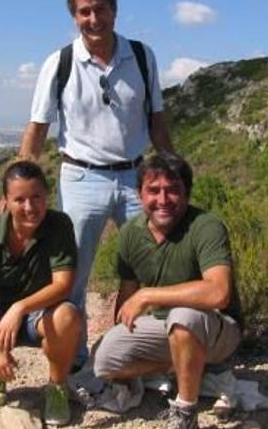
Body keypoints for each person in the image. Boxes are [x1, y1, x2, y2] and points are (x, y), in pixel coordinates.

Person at [18, 0, 174, 366]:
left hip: (136, 177)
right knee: (71, 276)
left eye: (99, 9)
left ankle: (142, 355)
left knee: (152, 268)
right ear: (74, 16)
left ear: (114, 11)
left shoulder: (141, 56)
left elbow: (156, 118)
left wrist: (172, 169)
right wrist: (17, 186)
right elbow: (38, 127)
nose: (93, 19)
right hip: (81, 177)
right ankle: (76, 360)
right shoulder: (61, 62)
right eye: (84, 12)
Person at [92, 154, 242, 429]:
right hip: (166, 326)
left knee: (183, 317)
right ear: (139, 194)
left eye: (172, 190)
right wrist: (119, 331)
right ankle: (187, 369)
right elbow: (128, 293)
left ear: (187, 193)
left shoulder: (206, 226)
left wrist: (149, 295)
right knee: (103, 361)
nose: (162, 200)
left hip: (217, 329)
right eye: (153, 191)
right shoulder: (131, 234)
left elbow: (219, 293)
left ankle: (185, 412)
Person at [0, 161, 81, 426]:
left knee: (67, 316)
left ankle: (57, 387)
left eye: (36, 197)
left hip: (35, 313)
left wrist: (20, 308)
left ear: (47, 196)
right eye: (19, 199)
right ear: (6, 202)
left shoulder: (59, 225)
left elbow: (63, 285)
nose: (29, 207)